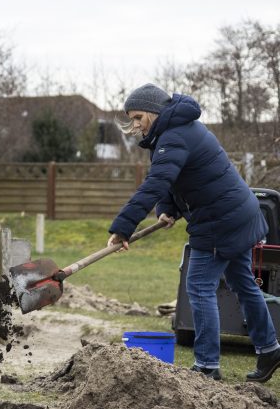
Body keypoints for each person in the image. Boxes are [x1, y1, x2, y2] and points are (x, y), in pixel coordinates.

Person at [108, 83, 280, 382]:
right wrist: (168, 208)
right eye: (131, 119)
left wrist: (123, 227)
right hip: (238, 215)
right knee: (243, 284)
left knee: (199, 287)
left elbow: (156, 183)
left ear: (153, 111)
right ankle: (270, 350)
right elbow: (175, 180)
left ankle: (206, 366)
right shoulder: (176, 131)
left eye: (138, 117)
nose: (135, 125)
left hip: (220, 222)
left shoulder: (174, 136)